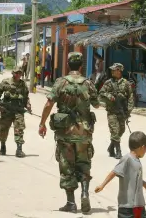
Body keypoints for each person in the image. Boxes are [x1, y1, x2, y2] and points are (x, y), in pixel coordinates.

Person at [38, 52, 100, 213]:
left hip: (65, 131)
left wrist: (42, 123)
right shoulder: (88, 83)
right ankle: (85, 192)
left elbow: (48, 103)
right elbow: (97, 104)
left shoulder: (60, 82)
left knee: (66, 164)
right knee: (84, 163)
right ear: (80, 66)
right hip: (84, 132)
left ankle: (71, 203)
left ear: (67, 65)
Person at [95, 131, 146, 218]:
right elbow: (114, 172)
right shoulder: (127, 159)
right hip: (127, 206)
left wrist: (144, 183)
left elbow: (134, 177)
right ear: (143, 147)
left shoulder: (136, 160)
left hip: (139, 204)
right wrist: (102, 185)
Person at [0, 66, 32, 157]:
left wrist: (28, 105)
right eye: (16, 73)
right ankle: (3, 145)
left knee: (19, 128)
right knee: (3, 129)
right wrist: (0, 106)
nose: (18, 74)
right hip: (7, 110)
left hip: (18, 110)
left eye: (20, 73)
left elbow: (26, 97)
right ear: (13, 73)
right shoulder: (5, 82)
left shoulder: (23, 84)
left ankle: (19, 149)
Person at [99, 63, 134, 159]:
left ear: (119, 71)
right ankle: (118, 151)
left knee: (121, 130)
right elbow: (101, 94)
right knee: (115, 131)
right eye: (112, 70)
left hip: (122, 111)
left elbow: (130, 97)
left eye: (114, 70)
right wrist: (109, 97)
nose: (112, 71)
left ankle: (110, 147)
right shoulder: (108, 83)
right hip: (112, 111)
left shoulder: (126, 83)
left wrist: (129, 110)